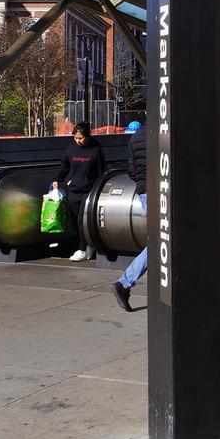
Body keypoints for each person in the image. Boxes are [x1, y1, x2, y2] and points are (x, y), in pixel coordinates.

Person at [53, 123, 106, 263]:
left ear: (87, 137)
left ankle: (82, 249)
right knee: (74, 220)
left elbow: (101, 171)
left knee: (82, 220)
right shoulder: (71, 149)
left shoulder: (96, 150)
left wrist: (100, 187)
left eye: (81, 138)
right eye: (76, 138)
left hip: (89, 190)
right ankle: (87, 244)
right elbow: (65, 167)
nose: (78, 141)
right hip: (74, 189)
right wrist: (58, 179)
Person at [114, 120, 151, 311]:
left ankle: (125, 283)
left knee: (163, 240)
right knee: (164, 241)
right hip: (164, 191)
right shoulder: (166, 133)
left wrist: (143, 181)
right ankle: (125, 282)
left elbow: (131, 170)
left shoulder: (135, 138)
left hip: (145, 192)